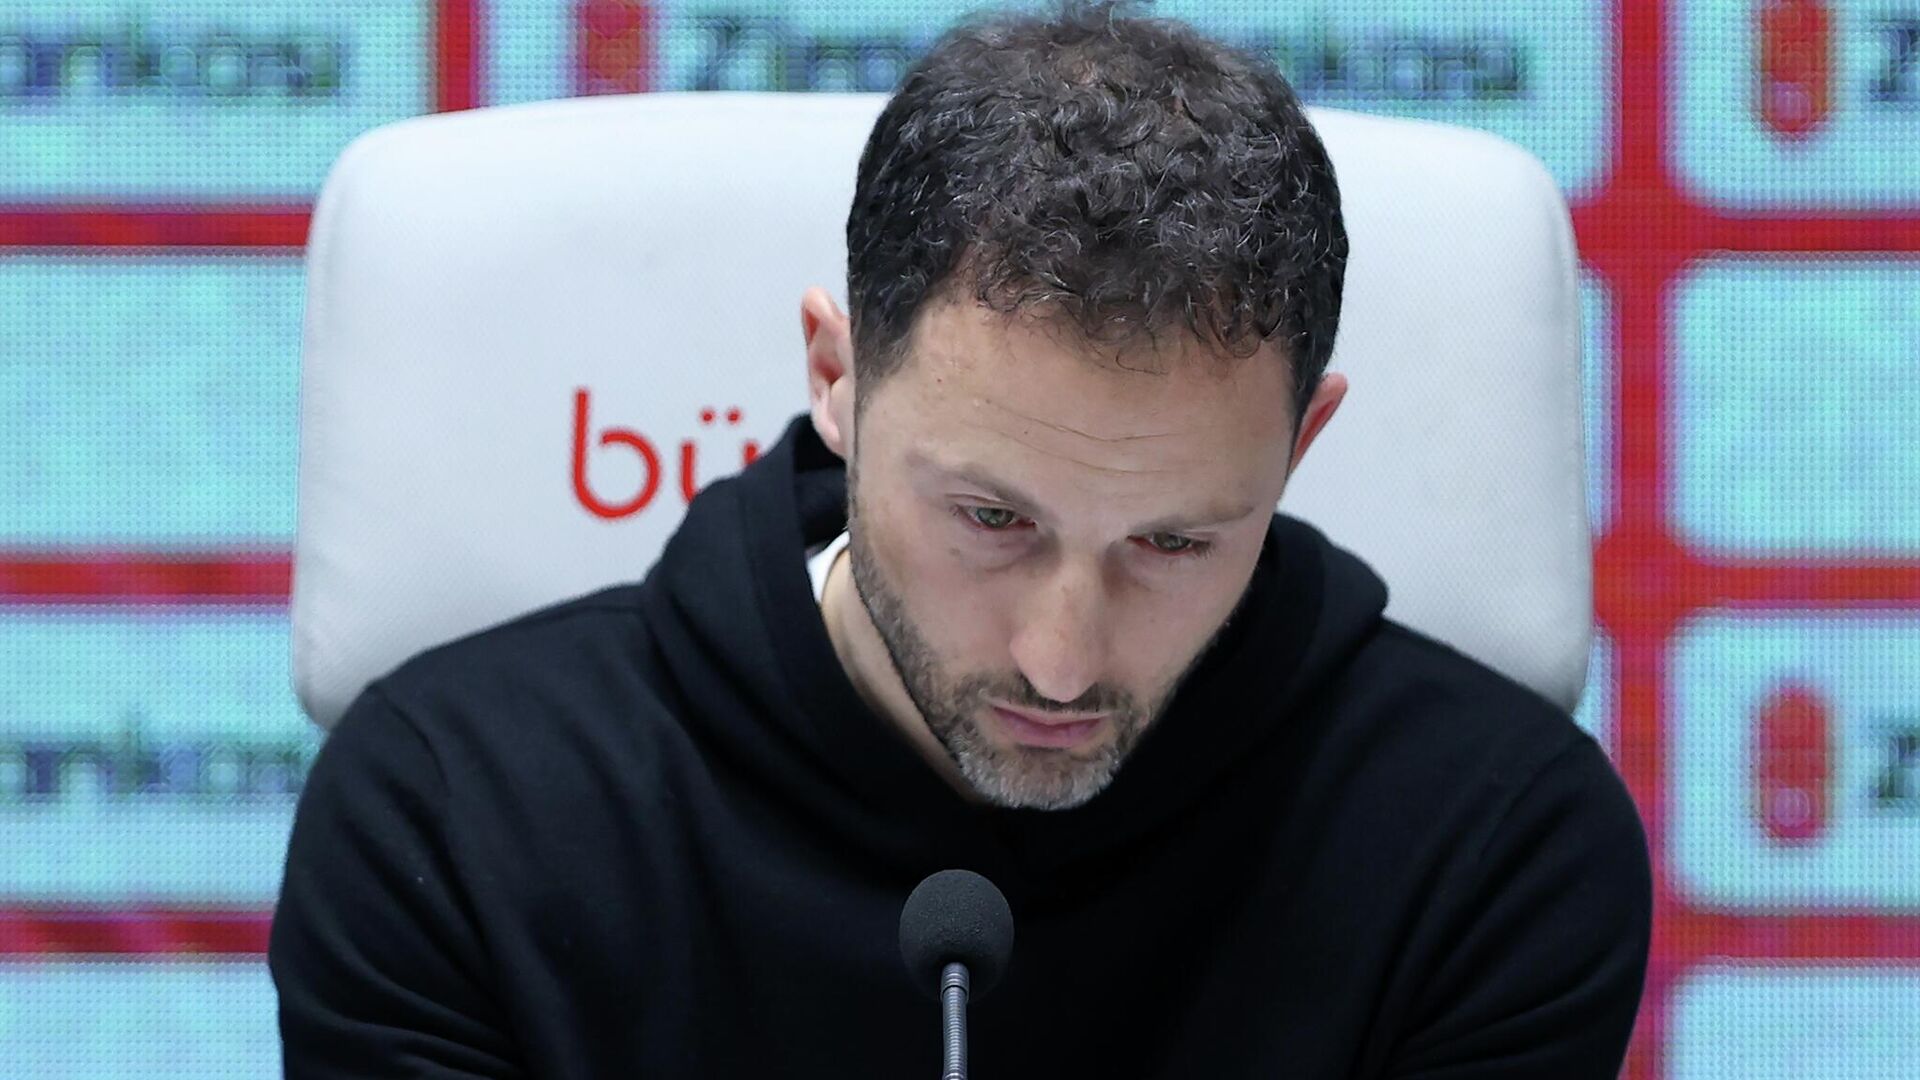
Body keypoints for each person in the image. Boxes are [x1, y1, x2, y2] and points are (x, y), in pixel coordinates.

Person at [268, 2, 1652, 1076]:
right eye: (992, 521)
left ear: (1300, 447)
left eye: (1173, 544)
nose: (1062, 660)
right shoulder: (449, 820)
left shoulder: (1493, 850)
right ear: (835, 379)